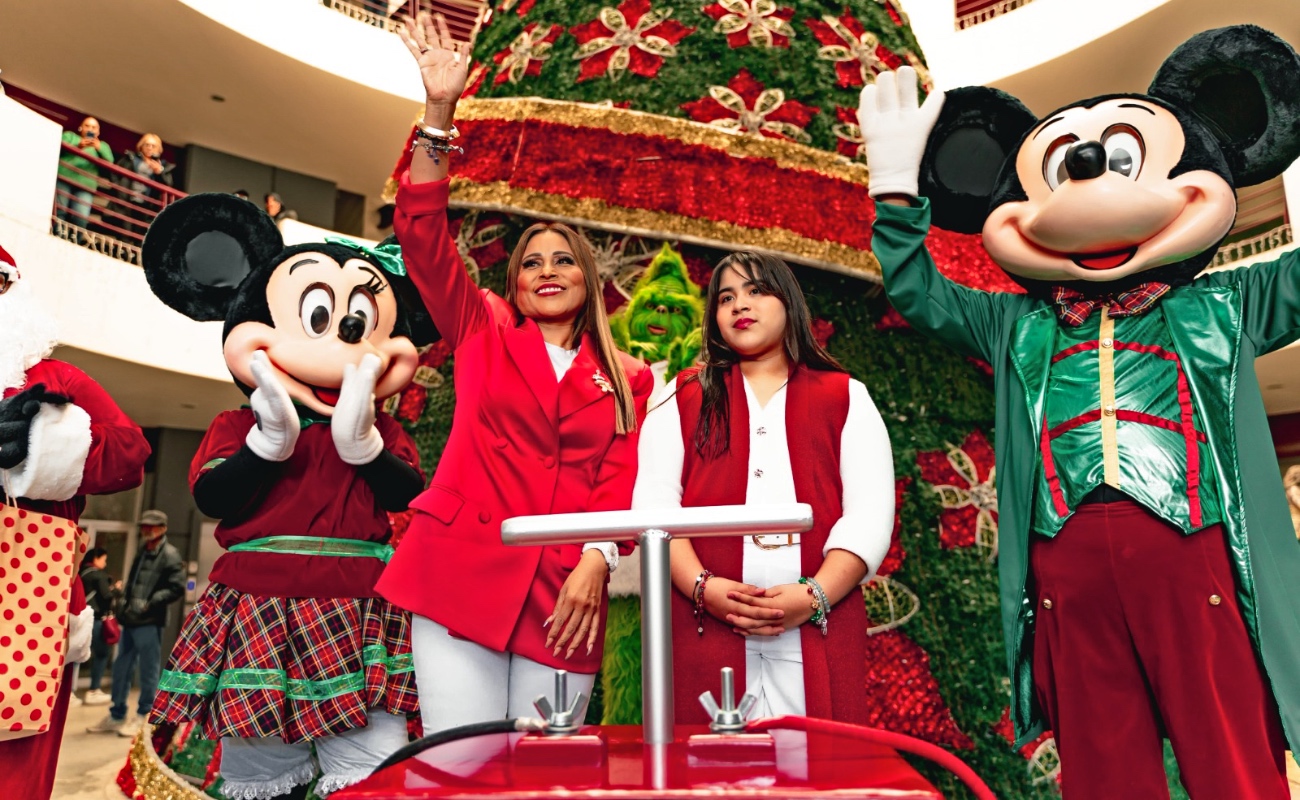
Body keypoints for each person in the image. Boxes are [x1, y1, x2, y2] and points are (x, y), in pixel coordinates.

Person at [375, 11, 655, 734]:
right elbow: (423, 235)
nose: (547, 270)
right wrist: (440, 112)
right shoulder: (483, 328)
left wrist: (596, 561)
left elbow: (616, 482)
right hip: (461, 570)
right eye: (531, 261)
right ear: (516, 284)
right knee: (459, 761)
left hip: (565, 591)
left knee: (548, 771)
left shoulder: (629, 375)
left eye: (564, 258)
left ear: (589, 280)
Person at [631, 251, 894, 723]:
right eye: (726, 297)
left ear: (789, 304)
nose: (739, 305)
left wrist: (813, 596)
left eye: (756, 291)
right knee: (711, 775)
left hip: (817, 626)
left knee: (819, 773)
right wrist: (702, 588)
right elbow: (653, 506)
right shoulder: (681, 395)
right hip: (704, 626)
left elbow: (870, 514)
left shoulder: (846, 395)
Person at [0, 243, 150, 800]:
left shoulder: (54, 379)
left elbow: (130, 453)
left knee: (15, 762)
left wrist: (39, 448)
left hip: (24, 597)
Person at [89, 509, 185, 738]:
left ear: (162, 529)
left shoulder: (171, 555)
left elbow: (177, 587)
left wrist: (150, 603)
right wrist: (124, 603)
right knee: (122, 667)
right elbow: (133, 582)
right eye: (144, 526)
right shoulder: (142, 551)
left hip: (150, 621)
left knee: (148, 670)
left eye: (151, 527)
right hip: (131, 619)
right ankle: (117, 714)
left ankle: (144, 716)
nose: (146, 530)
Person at [79, 546, 122, 704]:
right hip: (96, 619)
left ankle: (68, 691)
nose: (105, 563)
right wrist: (116, 590)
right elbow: (107, 596)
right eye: (104, 559)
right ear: (96, 559)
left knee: (77, 655)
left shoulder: (81, 573)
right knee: (102, 654)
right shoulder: (99, 576)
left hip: (81, 619)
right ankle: (94, 689)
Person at [111, 133, 174, 238]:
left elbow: (168, 185)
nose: (150, 148)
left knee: (141, 235)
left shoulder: (163, 166)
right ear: (141, 146)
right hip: (128, 199)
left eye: (153, 146)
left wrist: (160, 172)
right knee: (124, 232)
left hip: (147, 204)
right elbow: (115, 173)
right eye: (147, 145)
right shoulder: (130, 158)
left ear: (158, 149)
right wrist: (118, 188)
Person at [55, 116, 112, 230]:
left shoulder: (103, 146)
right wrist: (78, 145)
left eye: (94, 127)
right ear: (80, 128)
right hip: (65, 179)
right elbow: (57, 145)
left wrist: (98, 148)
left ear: (98, 132)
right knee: (61, 211)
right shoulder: (70, 136)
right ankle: (57, 234)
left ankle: (74, 241)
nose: (90, 129)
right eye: (87, 126)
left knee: (81, 218)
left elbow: (110, 162)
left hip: (85, 186)